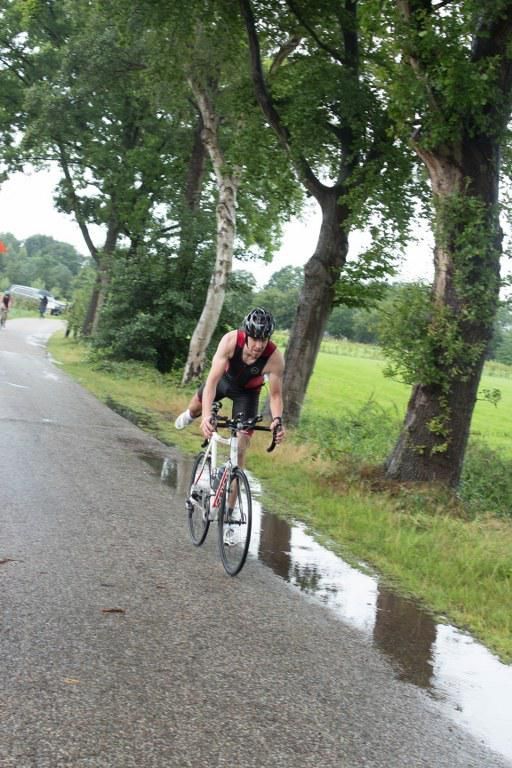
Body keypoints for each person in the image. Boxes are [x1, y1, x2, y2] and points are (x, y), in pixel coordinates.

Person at [175, 307, 285, 467]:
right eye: (255, 338)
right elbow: (211, 383)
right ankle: (190, 416)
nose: (259, 345)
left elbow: (275, 396)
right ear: (246, 335)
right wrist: (205, 416)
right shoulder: (230, 341)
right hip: (223, 381)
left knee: (240, 448)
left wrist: (277, 420)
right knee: (194, 408)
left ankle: (231, 475)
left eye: (264, 339)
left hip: (248, 393)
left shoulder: (274, 358)